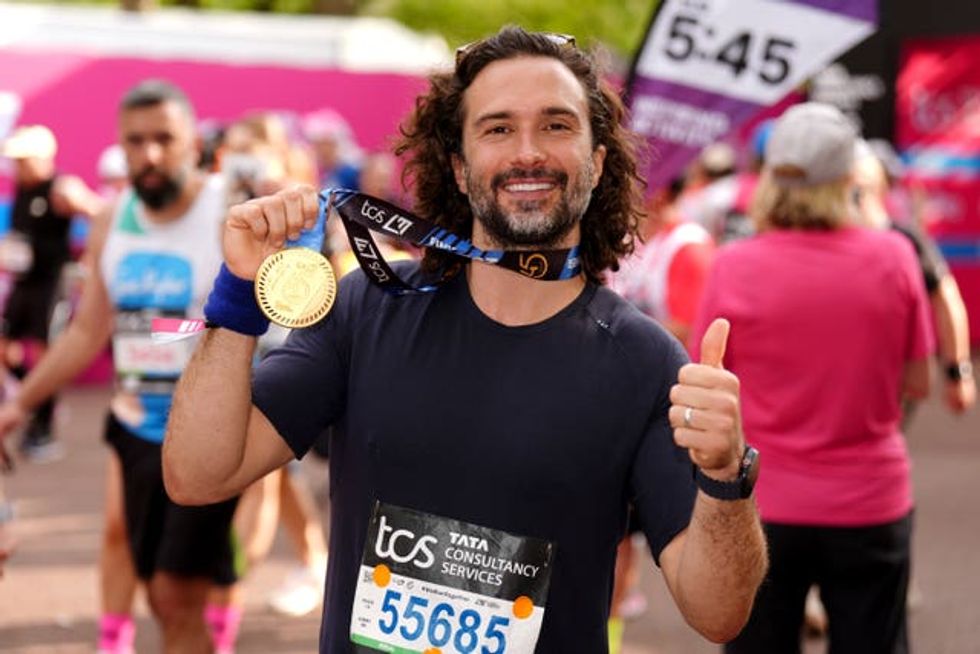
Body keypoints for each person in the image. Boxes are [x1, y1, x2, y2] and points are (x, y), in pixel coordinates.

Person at [163, 27, 767, 653]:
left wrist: (727, 474)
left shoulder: (643, 361)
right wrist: (237, 294)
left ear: (597, 160)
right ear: (458, 165)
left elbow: (718, 614)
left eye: (557, 126)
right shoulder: (369, 307)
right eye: (497, 128)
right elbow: (199, 475)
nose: (527, 152)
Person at [0, 80, 240, 653]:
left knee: (175, 592)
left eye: (165, 139)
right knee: (157, 593)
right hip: (135, 426)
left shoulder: (228, 213)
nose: (149, 155)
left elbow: (259, 329)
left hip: (211, 429)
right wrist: (21, 404)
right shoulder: (111, 221)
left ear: (193, 143)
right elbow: (88, 331)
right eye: (135, 142)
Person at [691, 102, 932, 653]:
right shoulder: (895, 257)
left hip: (762, 504)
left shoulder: (733, 264)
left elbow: (708, 379)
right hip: (870, 497)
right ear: (851, 177)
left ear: (772, 176)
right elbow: (918, 382)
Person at [0, 125, 103, 462]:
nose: (19, 166)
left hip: (51, 284)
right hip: (23, 283)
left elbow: (98, 215)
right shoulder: (21, 189)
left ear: (44, 158)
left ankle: (41, 431)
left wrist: (88, 260)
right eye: (16, 160)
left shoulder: (62, 187)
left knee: (47, 355)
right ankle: (37, 396)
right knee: (6, 350)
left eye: (25, 159)